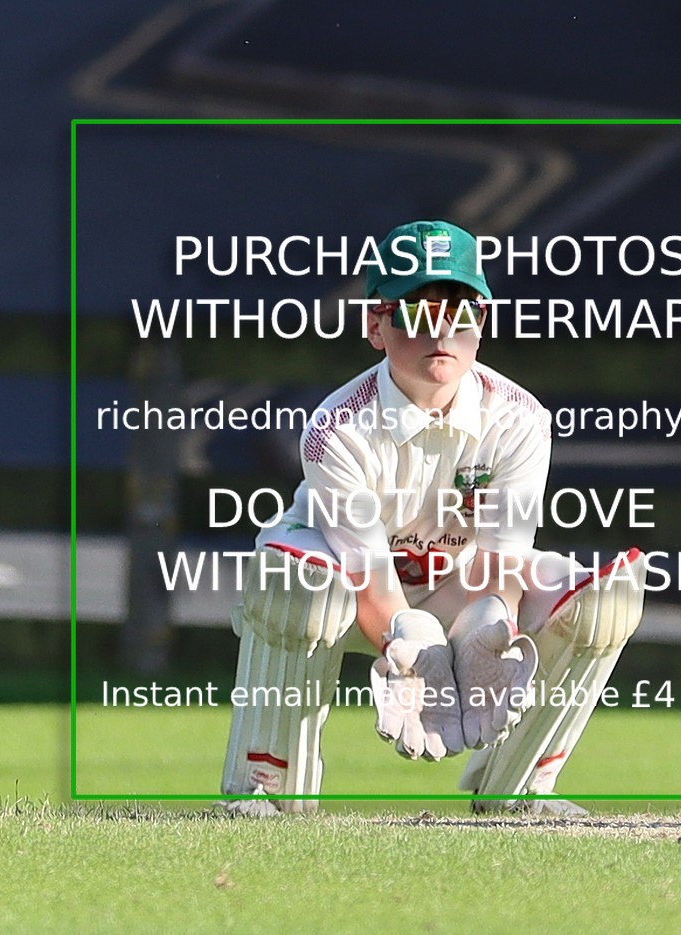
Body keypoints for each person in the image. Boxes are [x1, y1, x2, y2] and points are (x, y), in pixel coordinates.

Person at [221, 220, 645, 815]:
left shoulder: (521, 420)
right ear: (376, 324)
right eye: (417, 313)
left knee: (606, 599)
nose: (442, 330)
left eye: (463, 312)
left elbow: (502, 566)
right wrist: (416, 646)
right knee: (298, 584)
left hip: (457, 587)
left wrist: (484, 634)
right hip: (348, 595)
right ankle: (266, 786)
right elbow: (369, 580)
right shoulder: (335, 428)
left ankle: (519, 790)